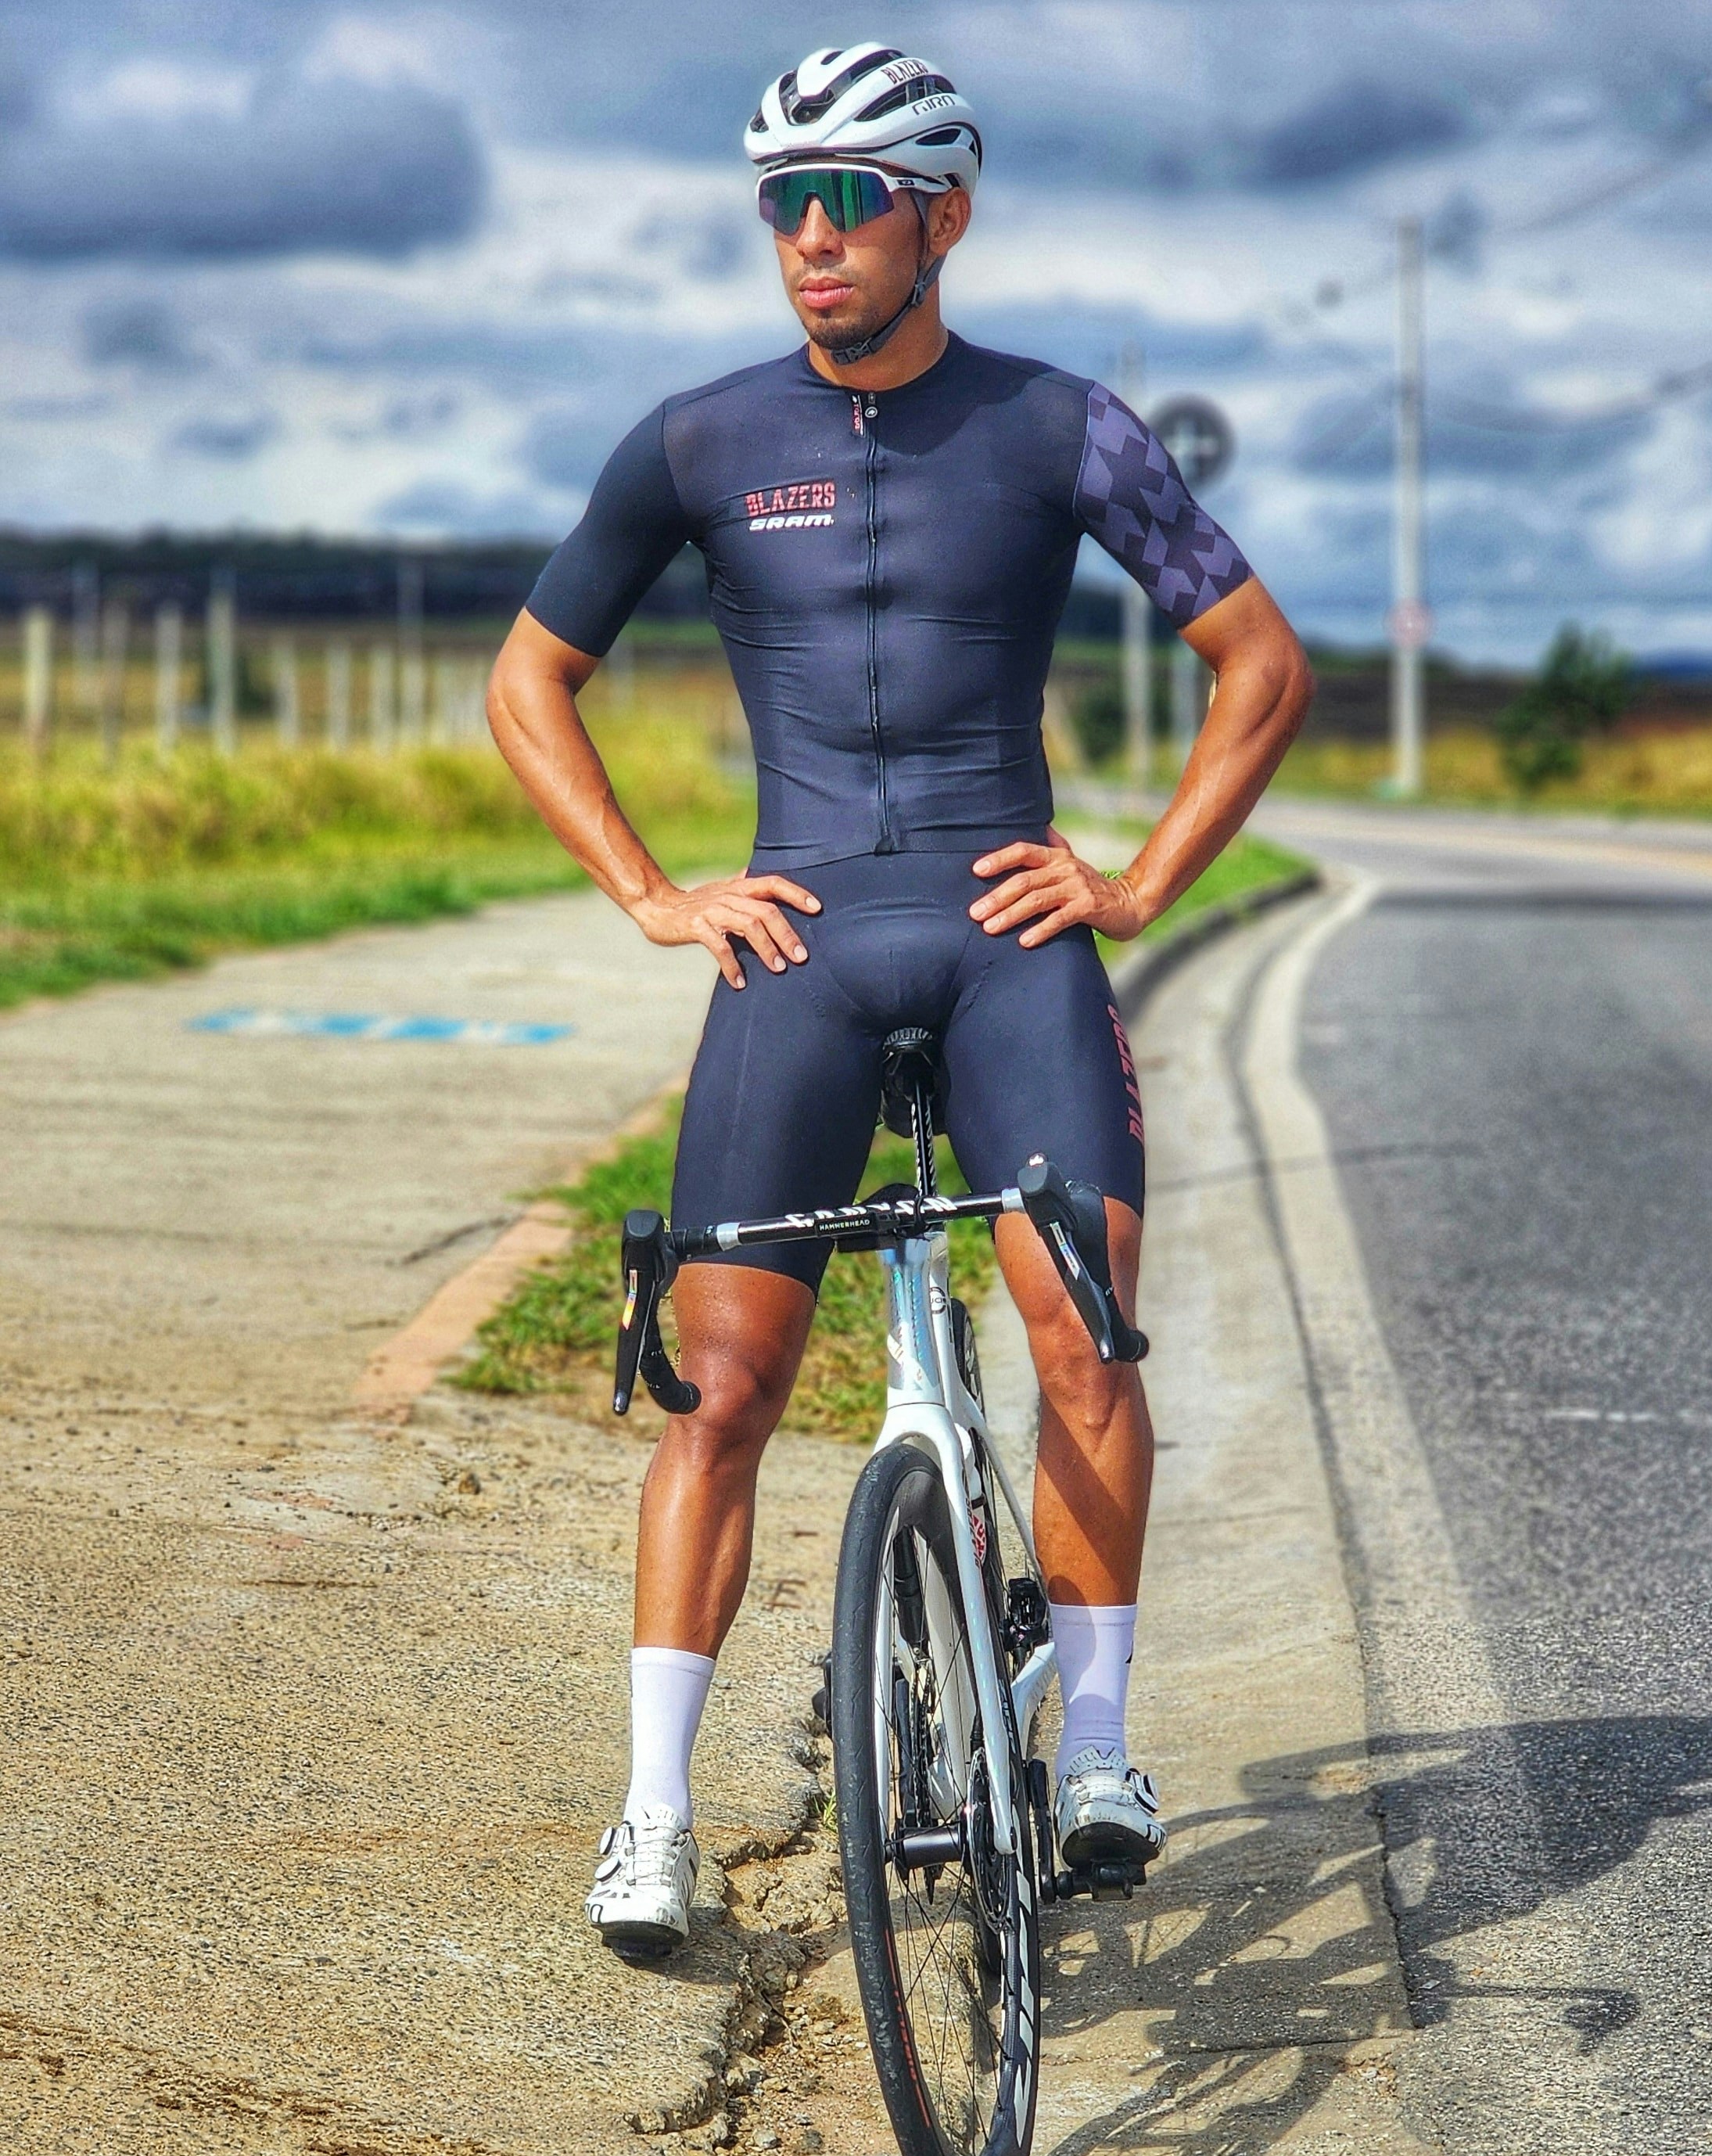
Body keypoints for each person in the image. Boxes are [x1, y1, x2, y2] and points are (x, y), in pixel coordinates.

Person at [488, 41, 1312, 1960]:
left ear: (946, 209)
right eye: (780, 200)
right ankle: (654, 1818)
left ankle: (1098, 1746)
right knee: (719, 1389)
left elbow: (1254, 664)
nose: (809, 239)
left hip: (1007, 927)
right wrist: (645, 891)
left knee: (1086, 1330)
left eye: (849, 197)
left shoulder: (1060, 426)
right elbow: (533, 681)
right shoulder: (696, 439)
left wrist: (1137, 880)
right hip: (798, 943)